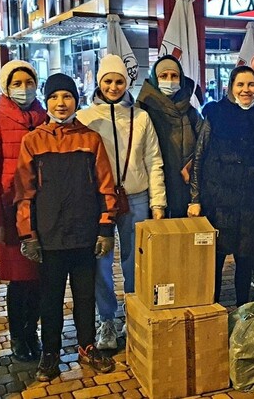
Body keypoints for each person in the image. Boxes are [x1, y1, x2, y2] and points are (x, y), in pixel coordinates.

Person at [14, 73, 118, 380]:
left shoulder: (90, 139)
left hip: (84, 235)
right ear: (46, 102)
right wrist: (28, 234)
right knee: (51, 300)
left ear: (76, 100)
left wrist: (105, 228)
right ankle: (50, 352)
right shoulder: (33, 141)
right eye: (55, 97)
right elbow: (24, 192)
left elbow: (105, 187)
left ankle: (87, 346)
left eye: (67, 96)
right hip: (50, 237)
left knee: (85, 297)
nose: (61, 103)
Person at [77, 54, 167, 350]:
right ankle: (106, 319)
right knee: (100, 262)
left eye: (119, 81)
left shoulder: (141, 117)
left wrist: (158, 202)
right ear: (99, 82)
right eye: (108, 81)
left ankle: (134, 312)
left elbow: (154, 160)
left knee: (136, 261)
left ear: (127, 82)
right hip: (98, 201)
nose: (114, 87)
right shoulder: (85, 118)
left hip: (136, 197)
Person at [189, 65, 254, 307]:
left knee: (245, 262)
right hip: (218, 201)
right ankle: (213, 310)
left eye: (251, 84)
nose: (246, 90)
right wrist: (195, 198)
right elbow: (199, 157)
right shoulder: (216, 113)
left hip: (251, 202)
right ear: (231, 87)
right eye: (240, 84)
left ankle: (242, 311)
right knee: (215, 262)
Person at [0, 60, 46, 362]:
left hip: (43, 213)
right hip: (10, 213)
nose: (24, 88)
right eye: (17, 83)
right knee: (20, 280)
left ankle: (33, 331)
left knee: (40, 279)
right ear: (6, 87)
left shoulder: (44, 117)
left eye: (28, 82)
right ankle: (19, 335)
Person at [137, 55, 202, 217]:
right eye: (163, 76)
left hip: (184, 189)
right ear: (155, 79)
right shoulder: (142, 110)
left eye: (174, 76)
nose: (169, 80)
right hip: (152, 190)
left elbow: (204, 145)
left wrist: (193, 164)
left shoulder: (191, 113)